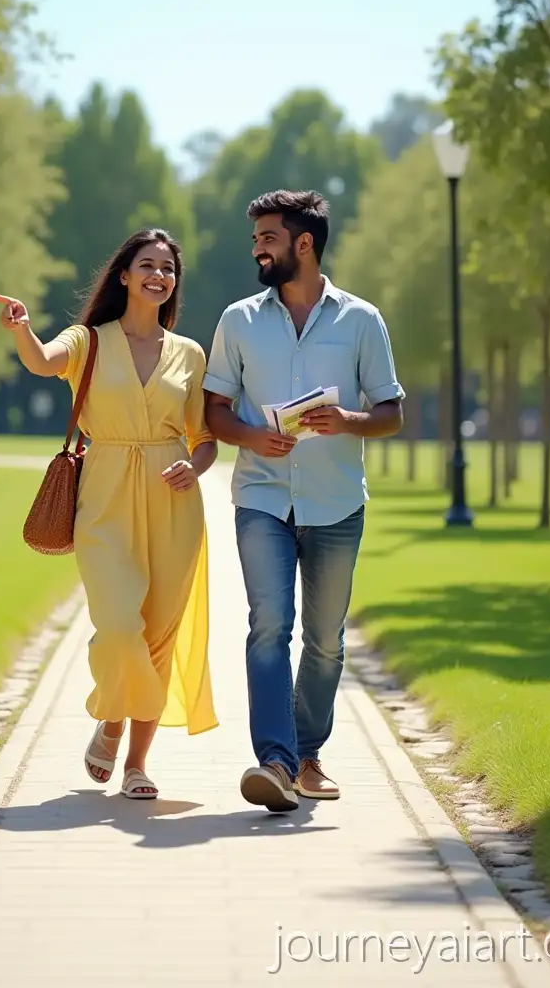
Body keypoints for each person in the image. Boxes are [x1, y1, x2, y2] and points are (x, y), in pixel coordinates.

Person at [0, 228, 218, 799]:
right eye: (148, 265)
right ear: (124, 274)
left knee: (158, 636)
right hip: (106, 497)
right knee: (120, 627)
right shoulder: (88, 340)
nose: (159, 276)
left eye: (168, 270)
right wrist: (23, 330)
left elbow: (206, 437)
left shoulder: (189, 354)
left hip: (174, 503)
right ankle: (111, 716)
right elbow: (44, 363)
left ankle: (136, 764)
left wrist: (196, 466)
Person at [203, 189, 404, 812]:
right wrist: (250, 435)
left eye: (268, 237)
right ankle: (275, 762)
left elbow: (391, 413)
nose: (258, 248)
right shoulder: (237, 320)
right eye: (257, 238)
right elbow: (213, 412)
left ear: (304, 243)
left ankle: (308, 755)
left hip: (336, 504)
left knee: (324, 640)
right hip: (262, 496)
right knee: (269, 627)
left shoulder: (362, 320)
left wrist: (348, 419)